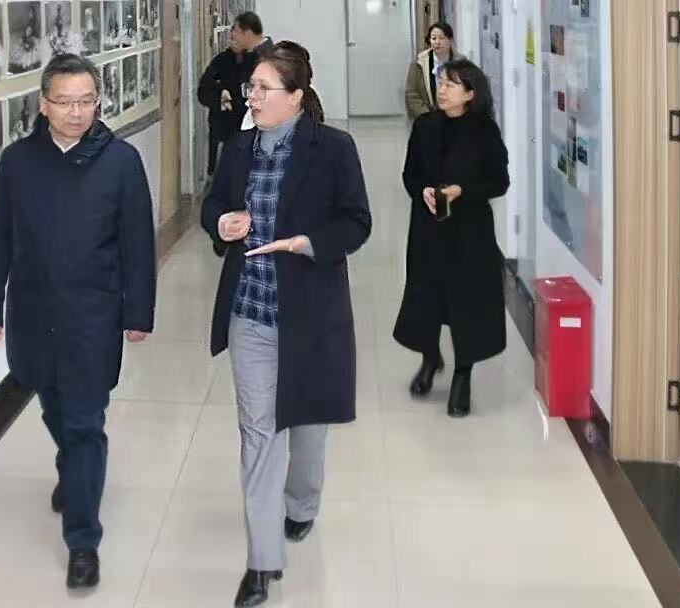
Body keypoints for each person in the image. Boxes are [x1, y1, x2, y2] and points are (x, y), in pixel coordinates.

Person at [0, 53, 156, 590]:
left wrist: (138, 312)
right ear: (43, 105)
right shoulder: (18, 163)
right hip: (34, 314)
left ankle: (83, 540)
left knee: (83, 423)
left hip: (92, 317)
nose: (77, 112)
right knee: (54, 409)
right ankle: (75, 472)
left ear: (98, 102)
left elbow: (138, 246)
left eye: (86, 101)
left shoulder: (120, 162)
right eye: (65, 102)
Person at [202, 41, 370, 608]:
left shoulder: (334, 149)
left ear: (296, 97)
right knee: (259, 433)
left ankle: (302, 504)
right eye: (250, 87)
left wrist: (308, 243)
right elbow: (212, 205)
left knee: (308, 429)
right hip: (251, 312)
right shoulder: (238, 147)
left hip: (312, 315)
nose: (251, 96)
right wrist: (222, 223)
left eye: (263, 88)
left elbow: (357, 222)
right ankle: (262, 562)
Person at [393, 59, 510, 418]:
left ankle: (463, 374)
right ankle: (430, 358)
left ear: (470, 94)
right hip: (428, 228)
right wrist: (423, 190)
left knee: (466, 302)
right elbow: (410, 174)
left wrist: (463, 190)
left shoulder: (484, 131)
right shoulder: (425, 126)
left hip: (469, 231)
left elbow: (499, 182)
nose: (441, 90)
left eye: (451, 84)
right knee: (426, 296)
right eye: (440, 82)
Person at [197, 11, 273, 177]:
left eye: (236, 32)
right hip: (224, 138)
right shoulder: (224, 60)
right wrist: (220, 95)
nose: (231, 36)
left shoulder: (270, 61)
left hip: (256, 144)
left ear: (248, 34)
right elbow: (204, 89)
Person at [405, 22, 463, 120]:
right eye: (434, 38)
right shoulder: (419, 62)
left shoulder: (461, 62)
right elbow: (412, 93)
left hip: (455, 117)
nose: (437, 42)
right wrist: (427, 117)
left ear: (450, 40)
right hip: (427, 117)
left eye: (441, 38)